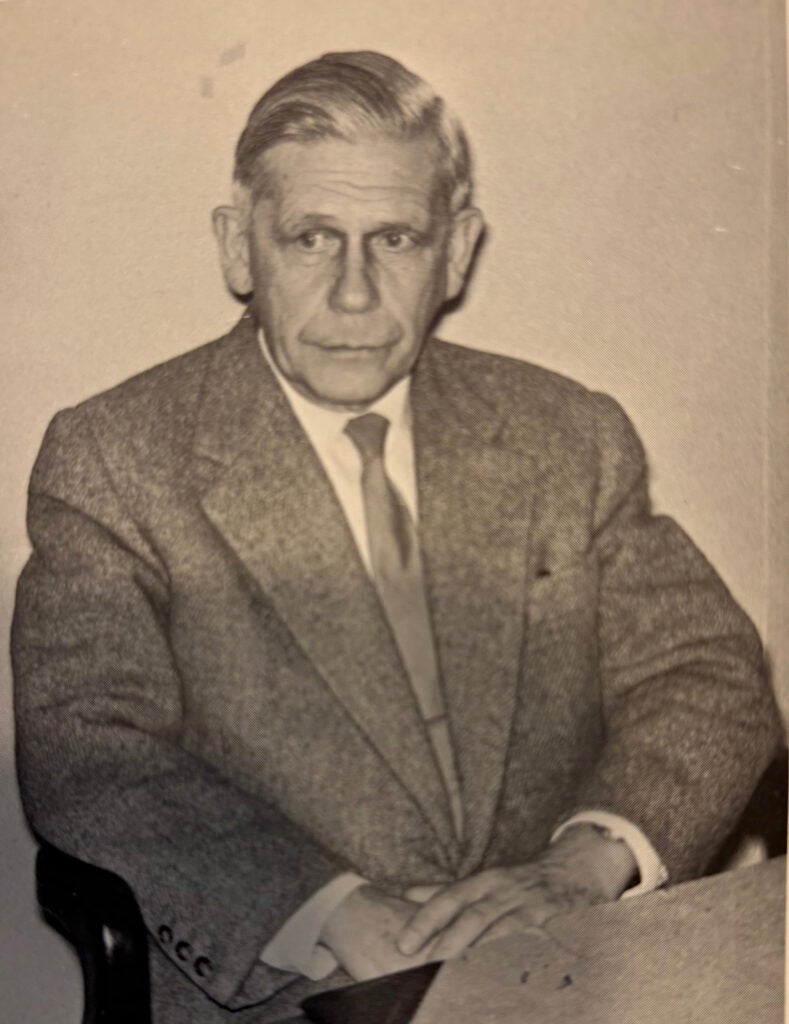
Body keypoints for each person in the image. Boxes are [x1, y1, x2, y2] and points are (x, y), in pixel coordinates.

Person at [12, 51, 781, 1024]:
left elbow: (707, 673)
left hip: (572, 967)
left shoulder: (568, 434)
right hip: (285, 987)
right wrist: (326, 907)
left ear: (456, 252)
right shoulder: (116, 458)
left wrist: (587, 860)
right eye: (311, 239)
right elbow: (91, 749)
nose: (353, 294)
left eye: (397, 239)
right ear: (238, 247)